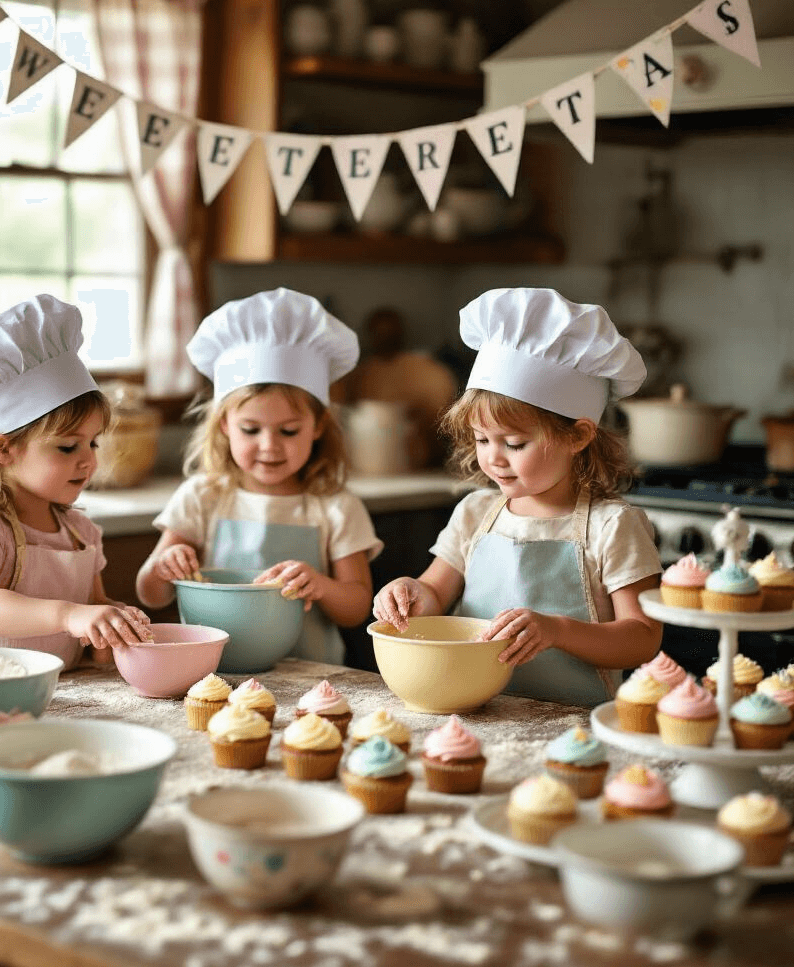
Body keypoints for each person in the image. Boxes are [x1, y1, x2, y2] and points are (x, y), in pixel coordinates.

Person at [372, 287, 664, 707]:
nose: (494, 459)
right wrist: (408, 592)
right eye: (481, 439)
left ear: (578, 435)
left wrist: (557, 630)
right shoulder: (475, 513)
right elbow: (434, 592)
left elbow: (642, 638)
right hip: (477, 712)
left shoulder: (612, 526)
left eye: (514, 443)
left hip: (574, 726)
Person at [135, 287, 382, 665]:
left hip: (314, 680)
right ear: (224, 426)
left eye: (288, 431)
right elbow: (150, 594)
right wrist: (164, 565)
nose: (270, 446)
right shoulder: (202, 497)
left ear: (318, 425)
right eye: (251, 430)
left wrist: (320, 584)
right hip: (215, 676)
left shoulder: (336, 506)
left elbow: (356, 607)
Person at [0, 293, 152, 669]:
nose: (89, 459)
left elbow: (92, 612)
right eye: (68, 447)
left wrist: (114, 626)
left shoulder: (81, 533)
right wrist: (69, 616)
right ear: (2, 449)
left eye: (93, 442)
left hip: (55, 691)